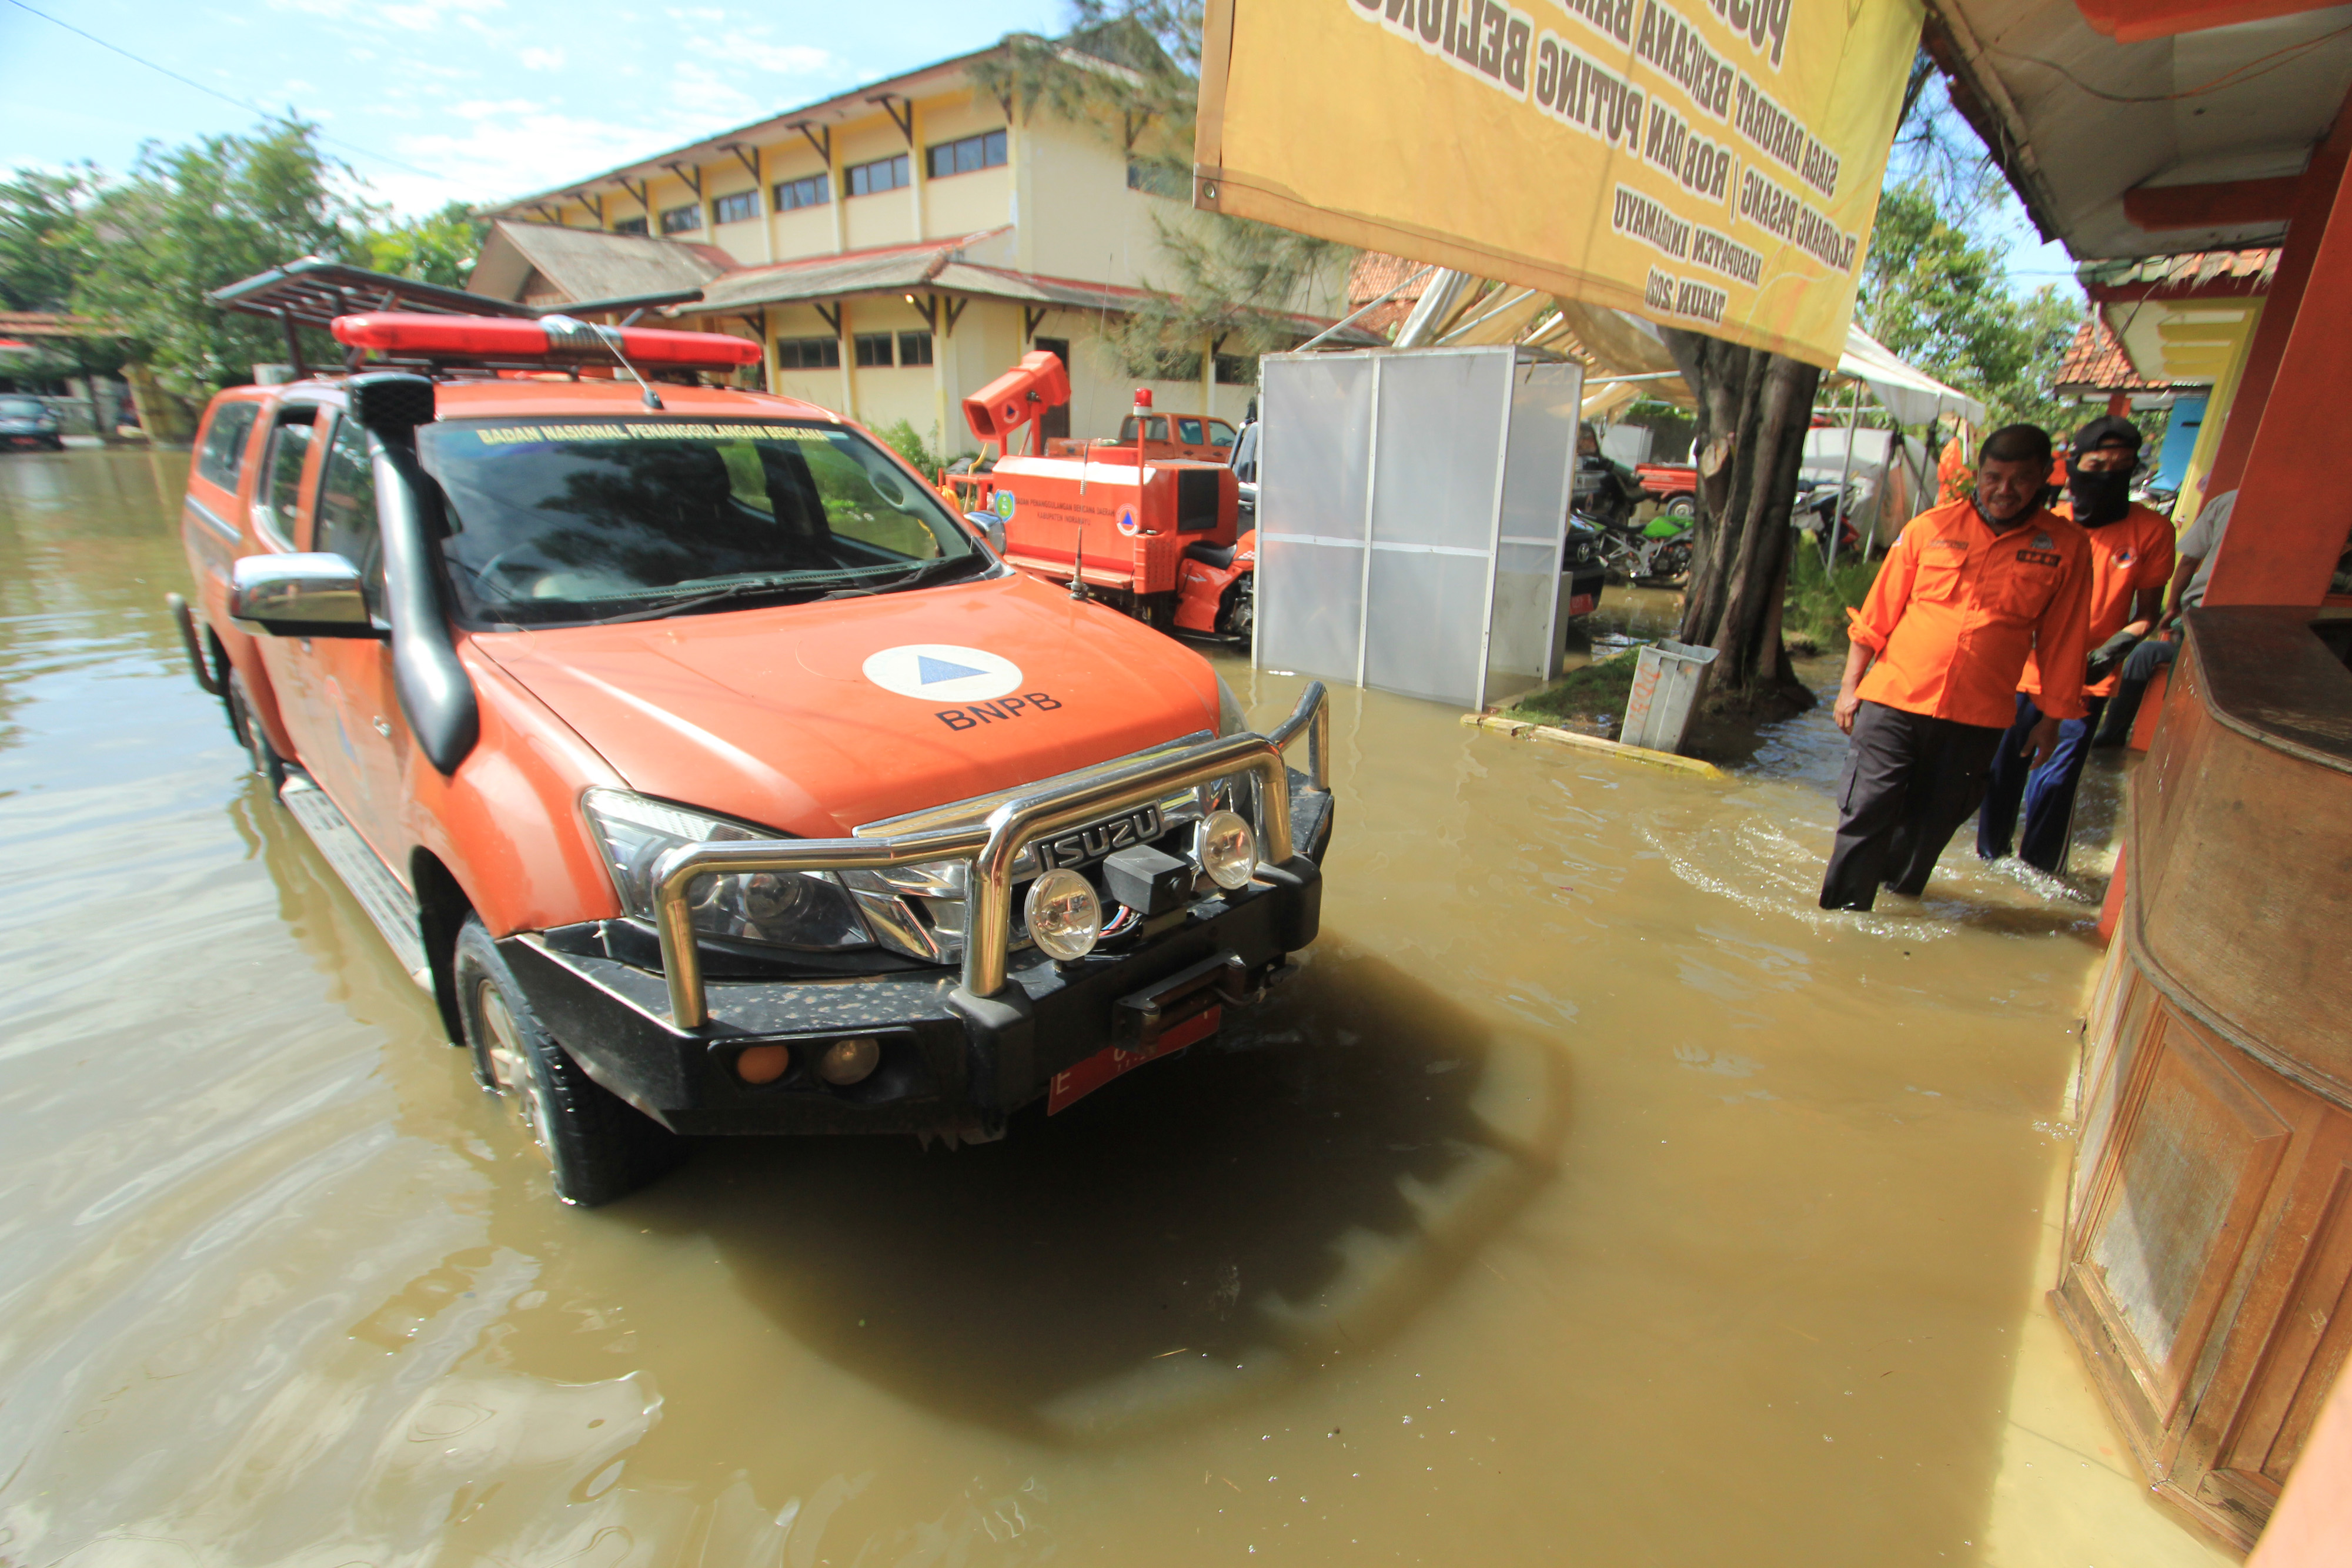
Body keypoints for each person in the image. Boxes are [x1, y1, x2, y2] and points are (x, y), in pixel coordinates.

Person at [1819, 424, 2093, 911]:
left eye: (2020, 479)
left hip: (1978, 716)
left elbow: (2064, 640)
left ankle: (1895, 913)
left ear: (2043, 479)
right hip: (1895, 699)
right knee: (1867, 809)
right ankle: (1841, 918)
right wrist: (1848, 687)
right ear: (1977, 476)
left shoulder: (2066, 547)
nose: (2004, 490)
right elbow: (1876, 615)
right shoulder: (1931, 528)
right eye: (1993, 477)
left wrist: (2052, 720)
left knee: (1931, 826)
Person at [1976, 416, 2174, 871]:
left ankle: (2041, 873)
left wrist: (2109, 652)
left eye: (2122, 466)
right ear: (2073, 467)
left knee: (2054, 781)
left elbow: (2149, 614)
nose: (2109, 474)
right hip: (2018, 672)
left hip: (2085, 680)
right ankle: (1990, 865)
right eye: (2098, 463)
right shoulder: (2049, 526)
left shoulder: (2152, 532)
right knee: (1999, 774)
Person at [2089, 487, 2234, 746]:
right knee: (2146, 655)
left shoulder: (2227, 501)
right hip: (2219, 622)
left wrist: (2173, 608)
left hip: (2203, 619)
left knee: (2171, 677)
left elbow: (2189, 561)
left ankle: (2118, 733)